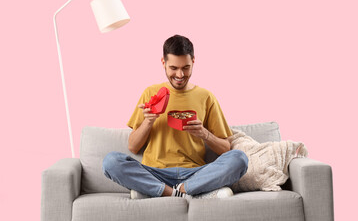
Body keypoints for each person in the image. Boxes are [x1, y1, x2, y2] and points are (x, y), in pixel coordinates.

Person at [102, 35, 248, 199]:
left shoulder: (206, 97)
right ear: (163, 63)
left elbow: (226, 149)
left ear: (193, 61)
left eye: (186, 67)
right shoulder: (150, 93)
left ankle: (174, 190)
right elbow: (133, 147)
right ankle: (180, 193)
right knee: (111, 161)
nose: (180, 74)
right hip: (155, 172)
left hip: (194, 173)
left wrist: (204, 133)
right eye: (173, 68)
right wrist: (149, 121)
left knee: (240, 158)